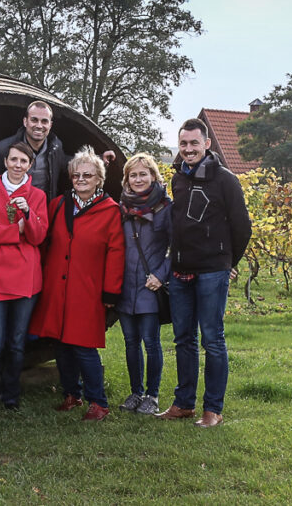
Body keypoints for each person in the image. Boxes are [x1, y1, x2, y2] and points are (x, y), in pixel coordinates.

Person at [157, 118, 251, 428]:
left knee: (212, 339)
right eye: (183, 144)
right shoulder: (178, 180)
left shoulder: (225, 180)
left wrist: (228, 262)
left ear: (206, 144)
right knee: (183, 339)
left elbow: (242, 228)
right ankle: (184, 404)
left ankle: (213, 409)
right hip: (181, 272)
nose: (187, 149)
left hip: (212, 272)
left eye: (194, 143)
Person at [29, 146, 124, 421]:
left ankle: (99, 403)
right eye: (76, 175)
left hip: (87, 289)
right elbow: (46, 245)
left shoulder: (110, 211)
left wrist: (110, 292)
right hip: (57, 288)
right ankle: (72, 394)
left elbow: (116, 254)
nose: (81, 179)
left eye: (88, 175)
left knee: (83, 346)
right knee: (60, 344)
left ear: (99, 179)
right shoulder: (58, 205)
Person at [0, 142, 48, 410]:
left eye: (24, 161)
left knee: (17, 343)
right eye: (14, 160)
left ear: (30, 165)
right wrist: (16, 231)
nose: (18, 165)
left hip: (26, 277)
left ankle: (10, 396)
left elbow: (39, 237)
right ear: (5, 161)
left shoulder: (37, 196)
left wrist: (27, 214)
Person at [116, 153, 172, 416]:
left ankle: (153, 395)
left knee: (151, 342)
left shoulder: (165, 207)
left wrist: (161, 275)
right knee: (130, 342)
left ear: (153, 176)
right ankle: (136, 392)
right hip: (125, 285)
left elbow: (177, 247)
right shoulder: (122, 208)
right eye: (133, 175)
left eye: (143, 174)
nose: (138, 179)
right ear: (126, 179)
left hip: (150, 284)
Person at [0, 101, 116, 200]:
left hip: (41, 212)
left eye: (44, 121)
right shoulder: (1, 150)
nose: (39, 126)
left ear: (50, 125)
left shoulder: (55, 147)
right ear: (25, 121)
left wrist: (99, 159)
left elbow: (69, 163)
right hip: (9, 211)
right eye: (34, 120)